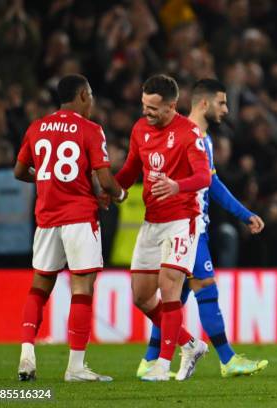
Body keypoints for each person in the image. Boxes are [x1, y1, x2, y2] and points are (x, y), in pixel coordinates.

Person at [136, 78, 269, 378]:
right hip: (185, 226)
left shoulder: (201, 138)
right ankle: (227, 359)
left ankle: (149, 360)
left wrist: (244, 214)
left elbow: (212, 184)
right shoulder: (187, 134)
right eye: (222, 103)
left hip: (192, 226)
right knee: (204, 288)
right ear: (205, 103)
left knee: (177, 297)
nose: (226, 109)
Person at [14, 74, 127, 382]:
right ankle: (75, 368)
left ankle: (26, 355)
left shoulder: (36, 127)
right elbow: (105, 181)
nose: (91, 102)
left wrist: (47, 180)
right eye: (89, 96)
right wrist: (120, 194)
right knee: (82, 288)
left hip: (47, 218)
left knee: (39, 287)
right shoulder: (90, 130)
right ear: (81, 95)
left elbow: (19, 170)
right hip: (79, 217)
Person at [113, 74, 211, 381]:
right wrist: (112, 190)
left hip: (182, 220)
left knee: (170, 287)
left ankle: (162, 363)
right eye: (144, 105)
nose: (146, 112)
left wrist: (176, 186)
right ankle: (190, 344)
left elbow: (203, 177)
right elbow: (131, 167)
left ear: (172, 106)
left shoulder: (188, 133)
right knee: (142, 296)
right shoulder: (140, 128)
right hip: (152, 221)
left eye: (153, 108)